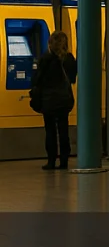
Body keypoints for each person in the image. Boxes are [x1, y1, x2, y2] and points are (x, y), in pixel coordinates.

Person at [32, 31, 76, 170]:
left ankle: (51, 161)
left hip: (49, 100)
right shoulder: (69, 58)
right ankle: (64, 161)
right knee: (63, 130)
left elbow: (37, 80)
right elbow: (73, 78)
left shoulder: (45, 58)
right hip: (64, 99)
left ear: (50, 43)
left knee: (50, 131)